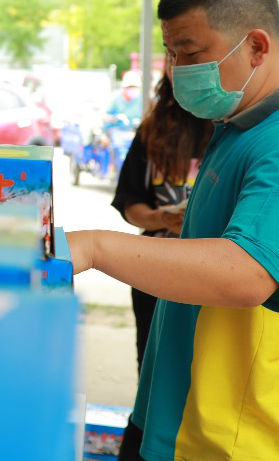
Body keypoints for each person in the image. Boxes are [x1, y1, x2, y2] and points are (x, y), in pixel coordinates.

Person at [68, 0, 279, 460]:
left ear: (256, 46)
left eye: (190, 52)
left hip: (255, 440)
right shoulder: (238, 129)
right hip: (181, 418)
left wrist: (95, 247)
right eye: (171, 53)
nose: (177, 70)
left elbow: (246, 274)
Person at [111, 72, 211, 375]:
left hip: (213, 270)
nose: (180, 64)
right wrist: (160, 217)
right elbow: (130, 204)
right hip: (155, 267)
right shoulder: (152, 132)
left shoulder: (236, 135)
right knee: (153, 366)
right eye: (172, 54)